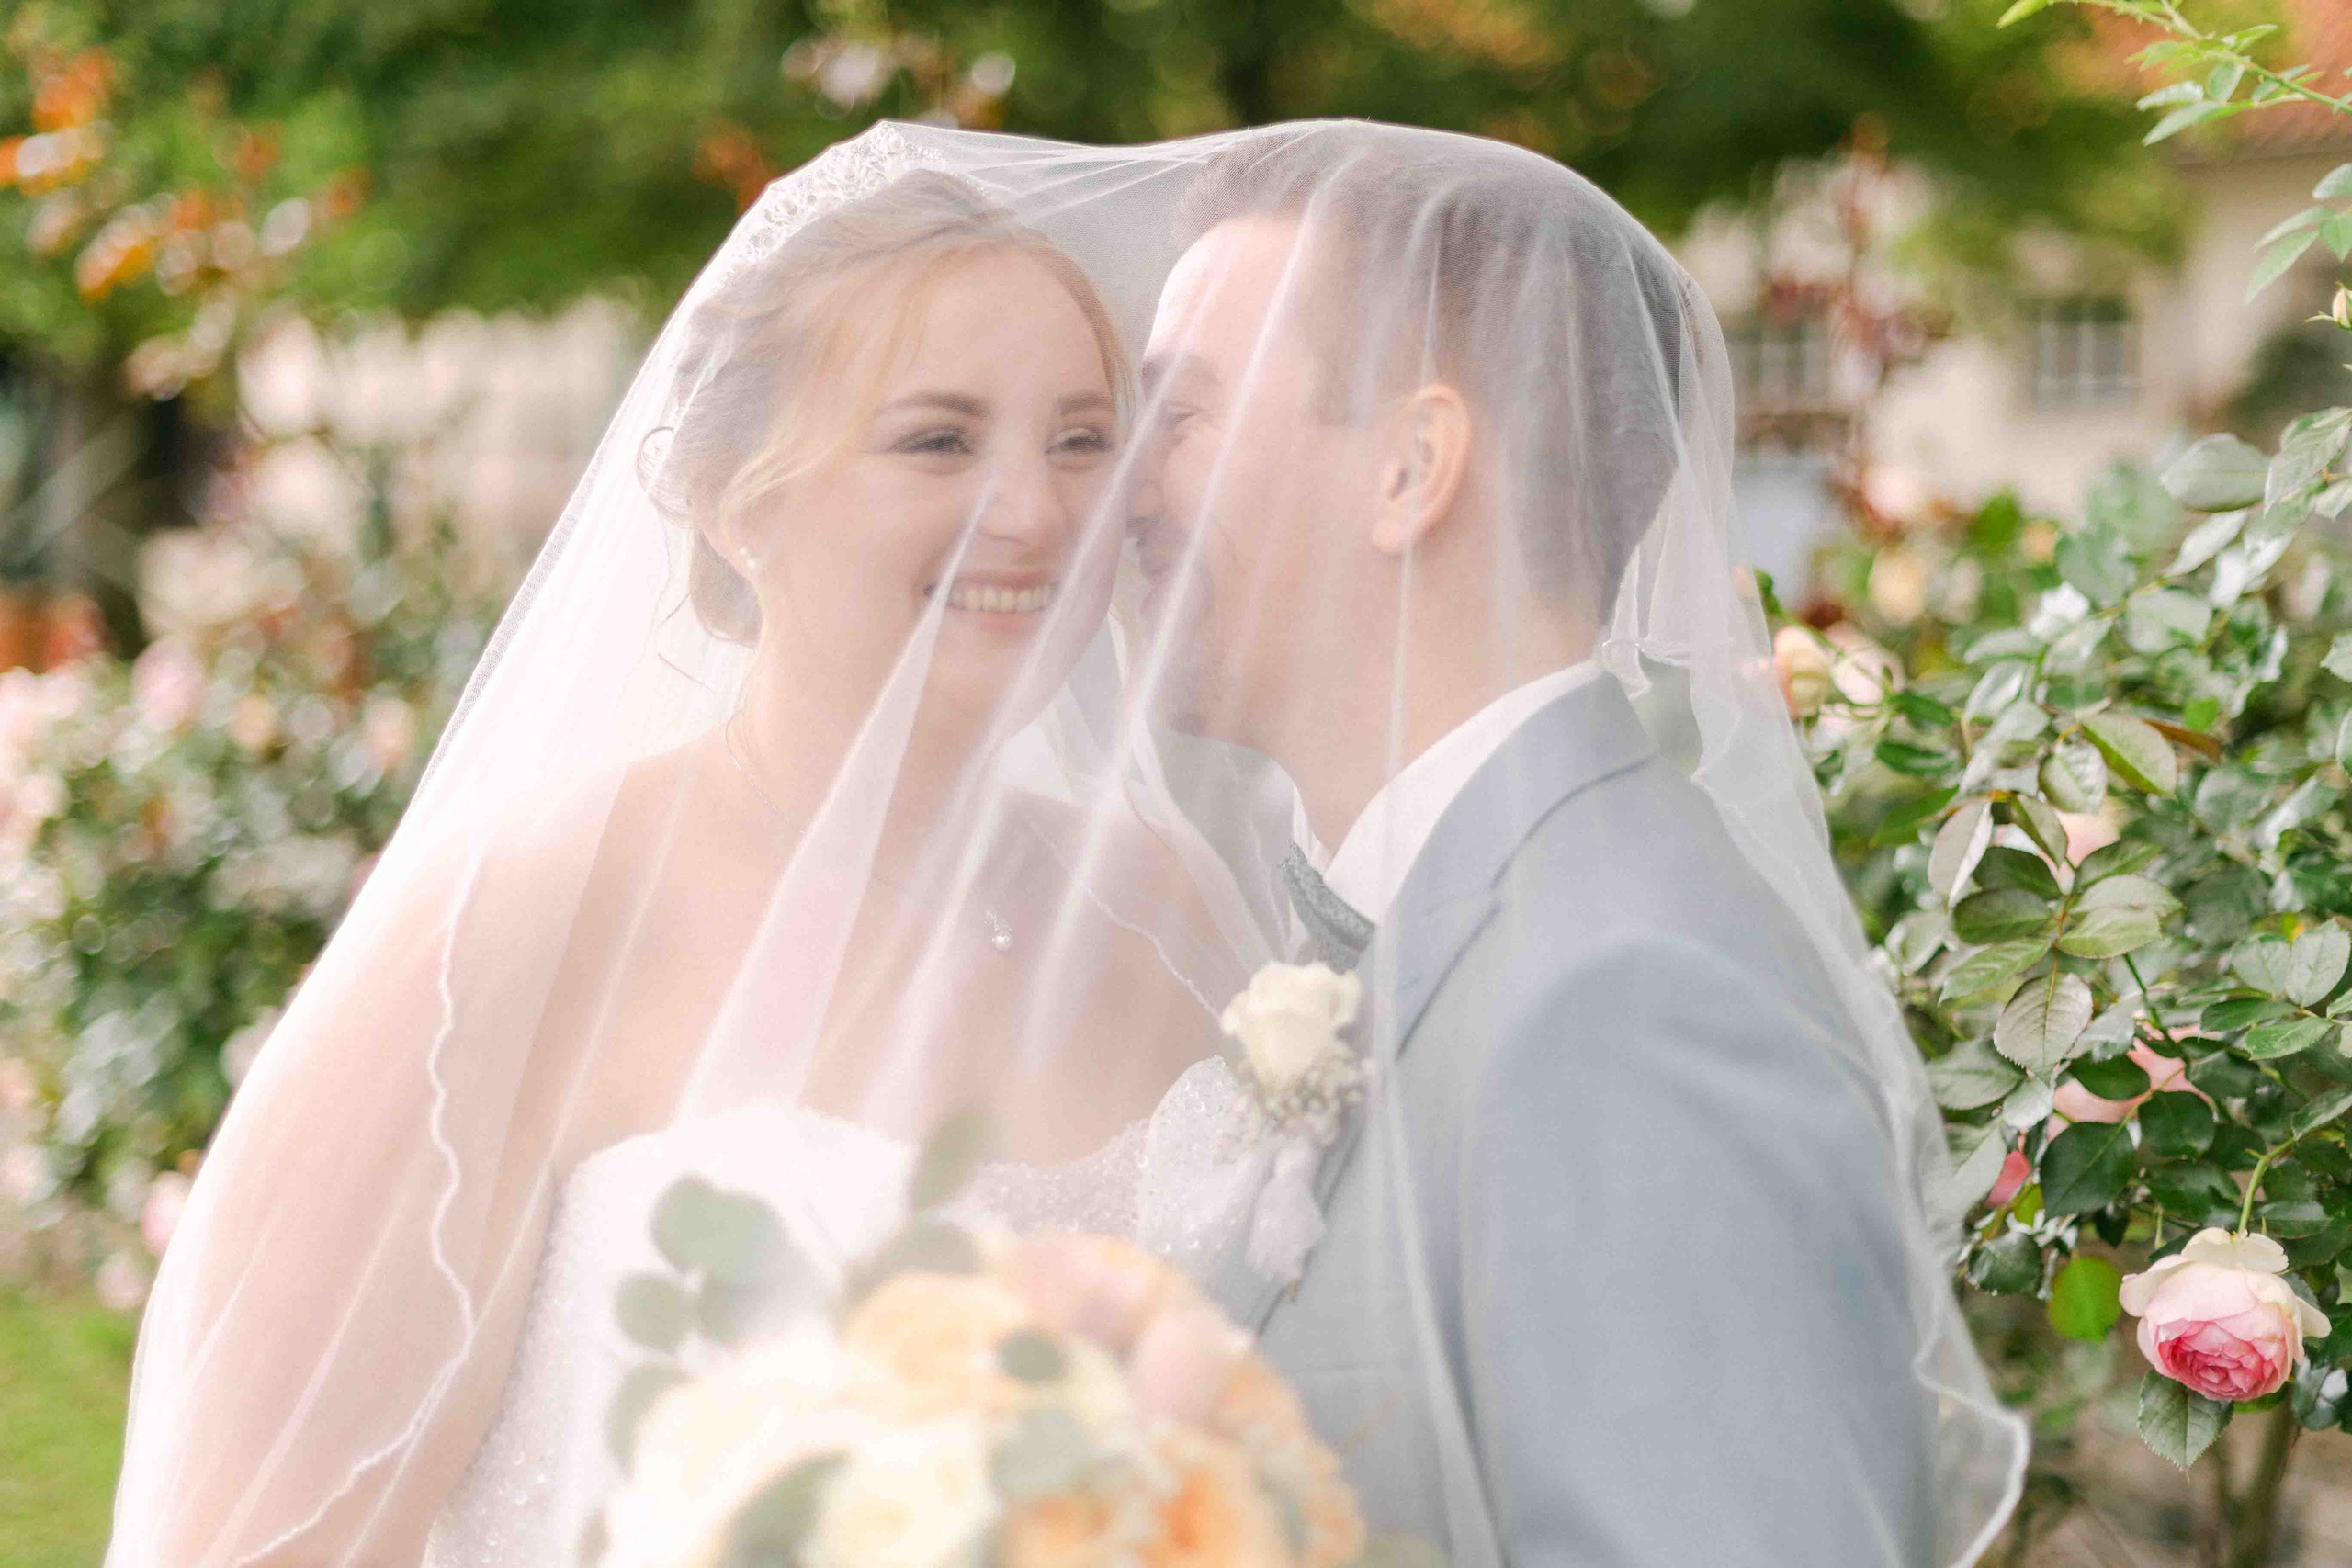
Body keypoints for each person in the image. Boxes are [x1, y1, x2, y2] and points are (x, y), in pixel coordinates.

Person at [107, 156, 1263, 1568]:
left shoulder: (1170, 905)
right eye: (938, 441)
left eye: (1084, 440)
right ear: (733, 497)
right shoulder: (521, 924)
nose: (1034, 511)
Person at [1127, 123, 2027, 1565]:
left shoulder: (1627, 1003)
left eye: (1180, 419)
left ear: (1411, 469)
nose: (1124, 489)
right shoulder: (1423, 929)